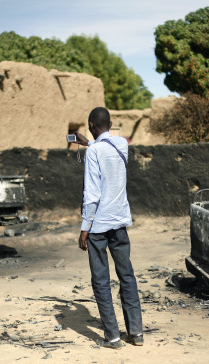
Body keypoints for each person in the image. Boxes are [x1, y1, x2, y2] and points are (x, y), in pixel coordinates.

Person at [74, 107, 144, 349]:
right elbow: (105, 146)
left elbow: (92, 193)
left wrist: (85, 227)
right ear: (110, 123)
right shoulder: (122, 145)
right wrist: (89, 143)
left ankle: (113, 337)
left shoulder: (94, 152)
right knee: (127, 276)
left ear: (92, 126)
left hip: (98, 226)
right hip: (120, 222)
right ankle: (136, 333)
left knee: (101, 280)